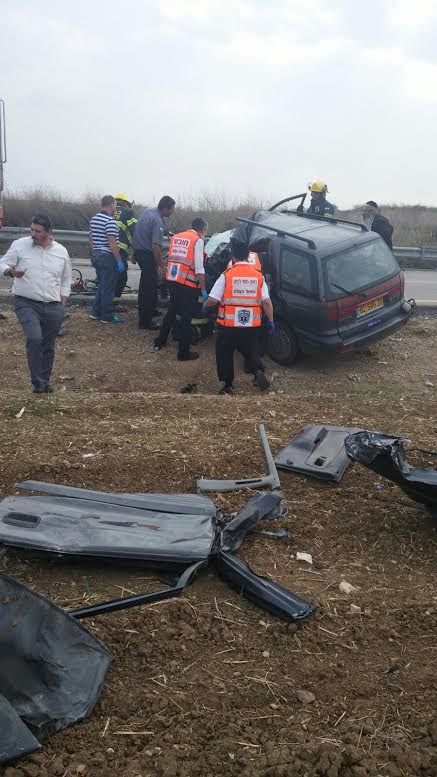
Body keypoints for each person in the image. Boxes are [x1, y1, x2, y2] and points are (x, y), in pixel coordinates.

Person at [0, 213, 72, 393]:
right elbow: (2, 263)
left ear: (49, 232)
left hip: (53, 305)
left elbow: (66, 279)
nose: (33, 234)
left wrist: (61, 304)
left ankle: (44, 382)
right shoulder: (20, 245)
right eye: (32, 229)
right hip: (26, 303)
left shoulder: (61, 251)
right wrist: (10, 272)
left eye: (38, 231)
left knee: (48, 344)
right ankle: (38, 382)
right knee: (34, 338)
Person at [203, 241, 274, 395]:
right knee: (249, 349)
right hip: (251, 326)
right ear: (248, 256)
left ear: (233, 257)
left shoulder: (227, 275)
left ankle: (228, 386)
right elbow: (267, 302)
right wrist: (271, 320)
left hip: (228, 326)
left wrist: (205, 306)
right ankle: (257, 372)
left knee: (225, 352)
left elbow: (213, 299)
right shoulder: (258, 276)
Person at [154, 217, 208, 361]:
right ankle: (183, 353)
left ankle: (160, 340)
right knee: (186, 317)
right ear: (202, 229)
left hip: (172, 279)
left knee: (172, 310)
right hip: (187, 283)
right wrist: (203, 289)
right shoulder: (198, 240)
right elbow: (199, 268)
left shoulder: (177, 237)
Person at [133, 195, 176, 331]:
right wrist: (160, 265)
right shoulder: (157, 220)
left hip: (139, 251)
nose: (172, 212)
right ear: (165, 208)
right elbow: (156, 246)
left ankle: (150, 310)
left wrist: (168, 232)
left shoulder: (148, 212)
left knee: (146, 284)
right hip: (147, 254)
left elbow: (145, 229)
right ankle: (145, 322)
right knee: (149, 288)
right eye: (172, 209)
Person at [89, 195, 124, 324]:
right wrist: (119, 260)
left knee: (102, 285)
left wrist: (93, 255)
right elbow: (112, 243)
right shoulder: (110, 221)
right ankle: (107, 316)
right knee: (108, 288)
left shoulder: (94, 219)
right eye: (115, 204)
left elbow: (91, 239)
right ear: (111, 204)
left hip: (97, 255)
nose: (116, 206)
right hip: (107, 257)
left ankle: (95, 312)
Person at [113, 193, 137, 299]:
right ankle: (114, 302)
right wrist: (135, 250)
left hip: (105, 249)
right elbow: (134, 231)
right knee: (121, 277)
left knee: (109, 276)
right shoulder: (128, 212)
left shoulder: (108, 211)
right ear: (126, 203)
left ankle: (104, 304)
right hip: (120, 250)